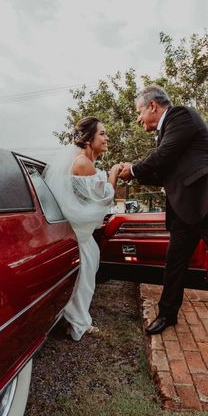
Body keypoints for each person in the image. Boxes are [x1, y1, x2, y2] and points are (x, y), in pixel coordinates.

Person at [119, 85, 208, 357]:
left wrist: (132, 170)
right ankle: (168, 314)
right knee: (175, 261)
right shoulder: (166, 134)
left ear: (153, 106)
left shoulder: (181, 116)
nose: (138, 118)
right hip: (185, 209)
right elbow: (161, 170)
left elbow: (162, 158)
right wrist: (133, 171)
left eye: (139, 112)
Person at [44, 116, 122, 341]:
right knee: (84, 276)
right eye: (102, 134)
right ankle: (77, 322)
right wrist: (114, 173)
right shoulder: (82, 163)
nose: (107, 138)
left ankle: (74, 319)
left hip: (82, 232)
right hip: (77, 231)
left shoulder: (86, 162)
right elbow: (103, 198)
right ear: (88, 140)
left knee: (86, 273)